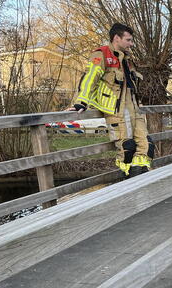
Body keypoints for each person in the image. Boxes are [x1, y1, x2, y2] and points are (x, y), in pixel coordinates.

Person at [69, 23, 153, 178]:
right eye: (128, 40)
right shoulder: (101, 55)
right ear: (116, 38)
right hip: (116, 111)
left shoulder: (127, 59)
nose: (131, 44)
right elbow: (90, 78)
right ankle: (127, 184)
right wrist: (81, 101)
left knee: (147, 146)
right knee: (127, 149)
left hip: (134, 109)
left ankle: (141, 182)